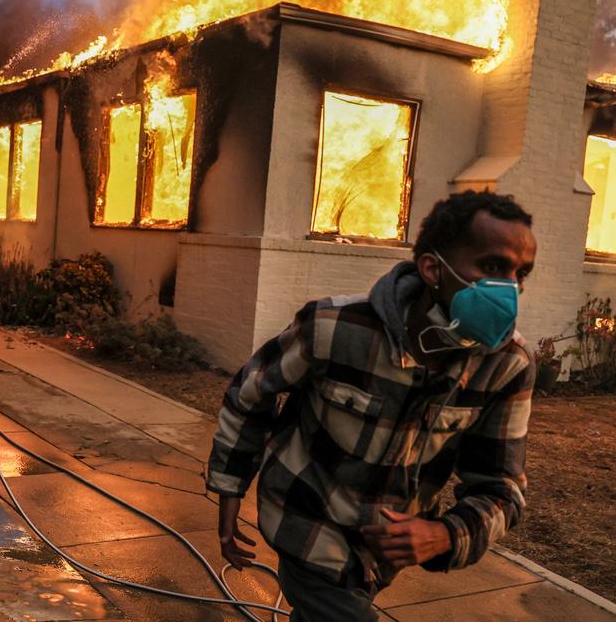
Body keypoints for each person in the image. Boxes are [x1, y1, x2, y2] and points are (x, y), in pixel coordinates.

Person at [207, 191, 538, 621]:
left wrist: (445, 534)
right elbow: (249, 395)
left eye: (520, 273)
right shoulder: (333, 327)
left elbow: (501, 487)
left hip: (381, 554)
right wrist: (229, 487)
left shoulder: (509, 365)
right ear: (433, 268)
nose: (509, 288)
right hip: (306, 524)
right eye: (493, 267)